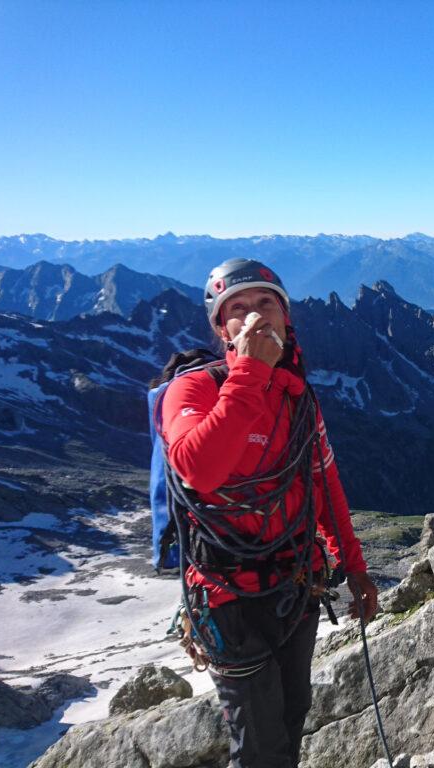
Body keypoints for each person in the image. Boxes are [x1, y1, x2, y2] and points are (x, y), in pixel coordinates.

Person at [160, 257, 378, 768]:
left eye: (266, 305)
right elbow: (199, 468)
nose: (255, 317)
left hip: (296, 586)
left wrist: (355, 566)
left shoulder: (298, 399)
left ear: (286, 319)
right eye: (238, 309)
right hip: (226, 597)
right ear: (222, 327)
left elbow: (325, 487)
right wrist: (251, 371)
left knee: (291, 716)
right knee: (260, 743)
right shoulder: (192, 390)